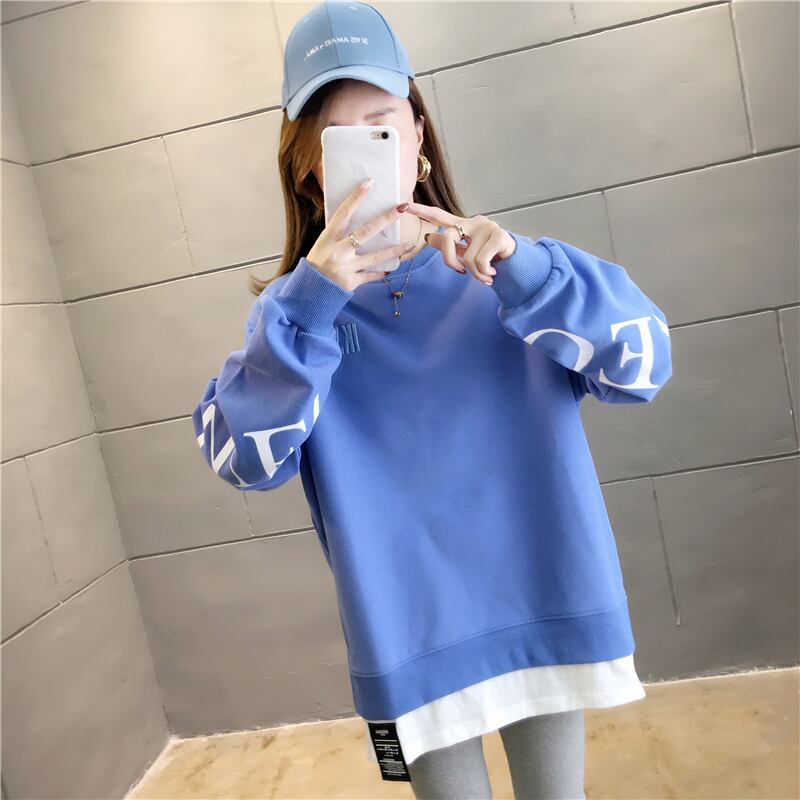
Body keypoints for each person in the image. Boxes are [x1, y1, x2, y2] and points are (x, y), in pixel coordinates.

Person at [192, 2, 673, 797]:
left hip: (541, 599)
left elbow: (642, 365)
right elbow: (244, 461)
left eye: (381, 124)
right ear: (309, 166)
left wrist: (525, 272)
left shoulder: (506, 275)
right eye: (335, 137)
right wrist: (310, 306)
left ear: (416, 136)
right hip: (408, 635)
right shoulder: (290, 320)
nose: (363, 151)